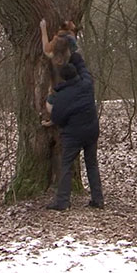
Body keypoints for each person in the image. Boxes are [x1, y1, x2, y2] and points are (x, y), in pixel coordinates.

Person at [41, 48, 104, 211]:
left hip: (73, 135)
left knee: (66, 164)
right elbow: (82, 66)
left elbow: (58, 116)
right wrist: (75, 53)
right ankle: (98, 199)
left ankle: (62, 201)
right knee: (92, 164)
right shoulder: (86, 83)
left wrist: (50, 99)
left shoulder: (61, 96)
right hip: (91, 131)